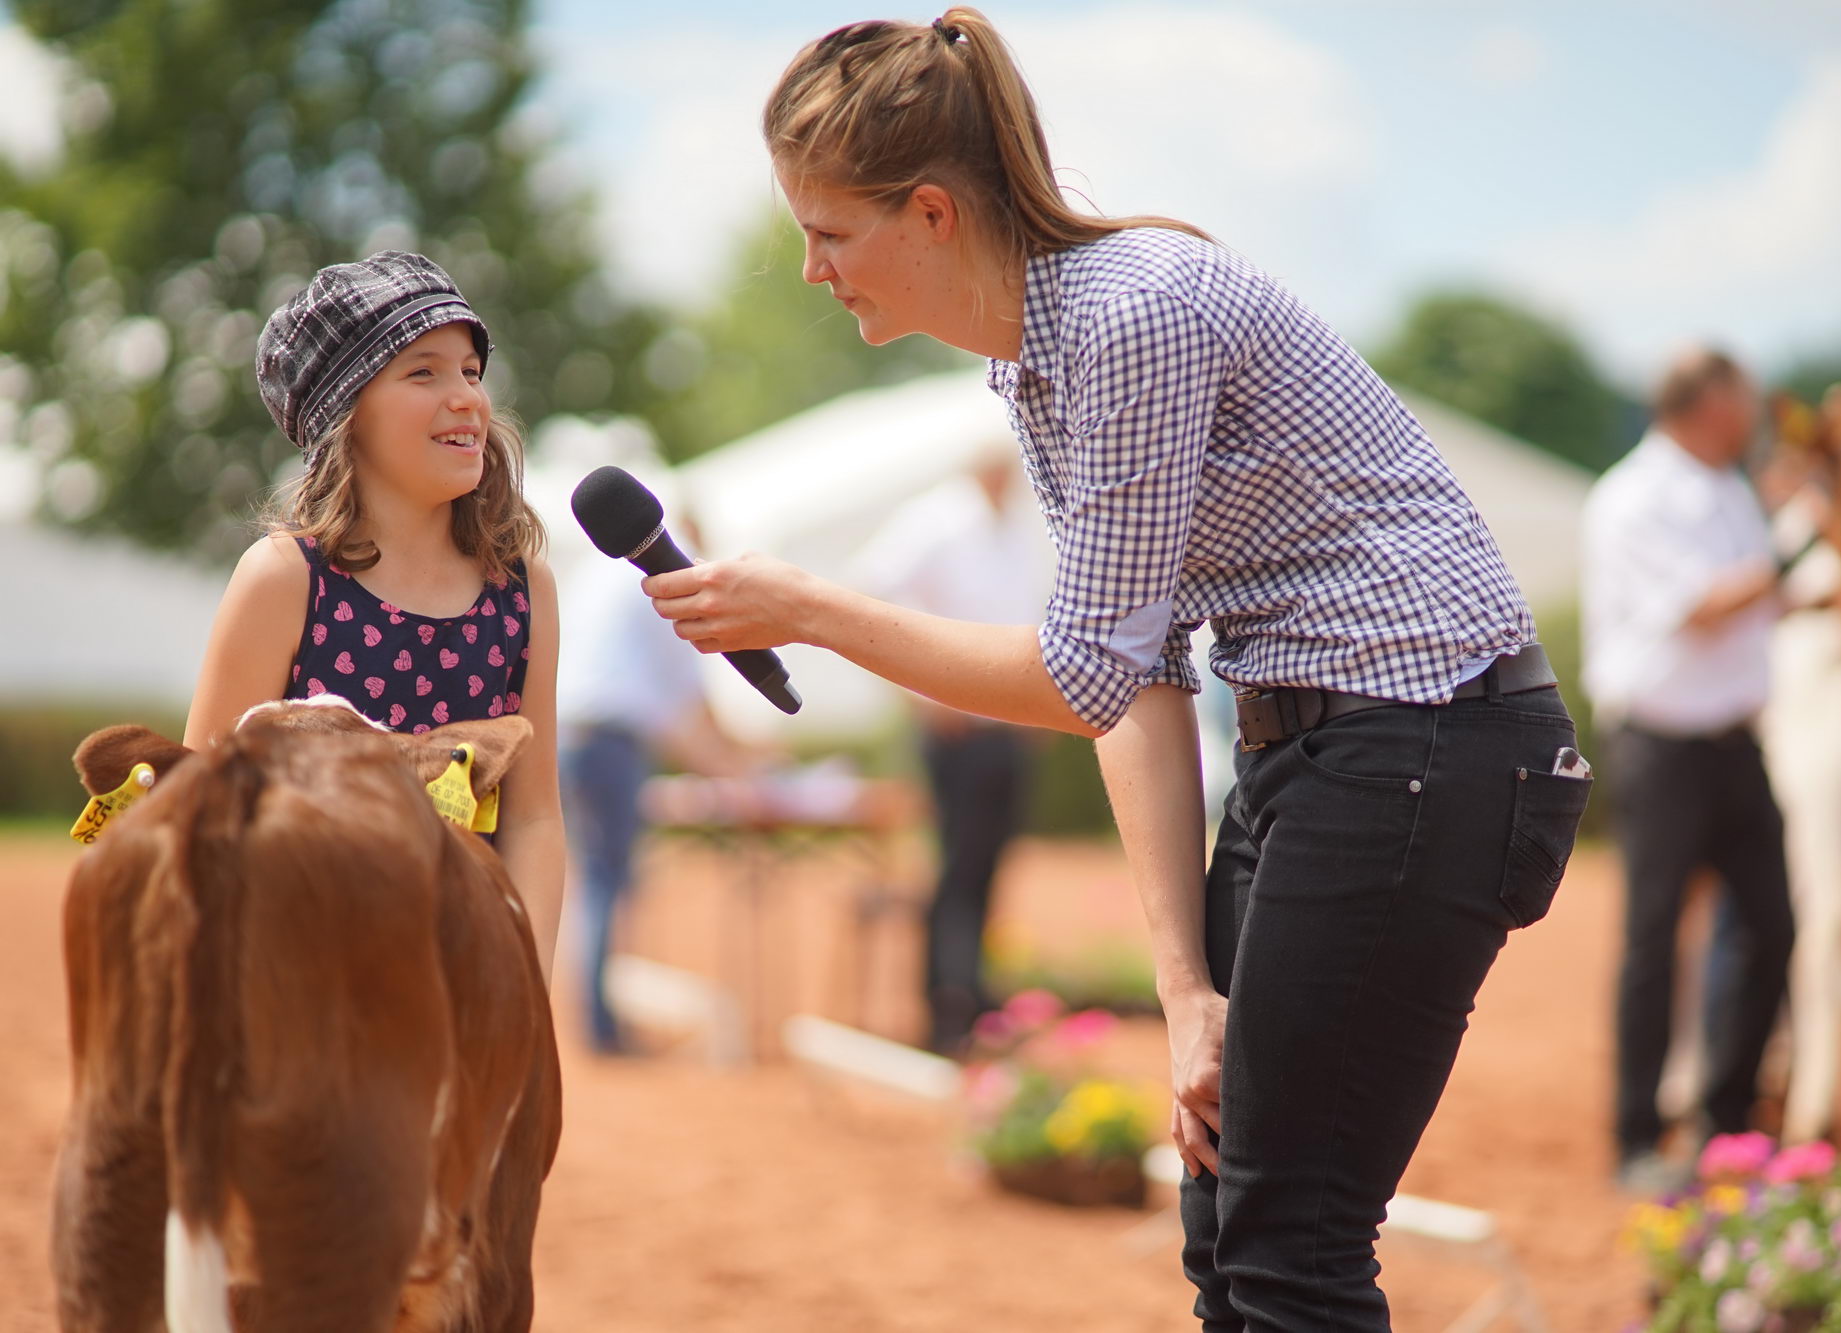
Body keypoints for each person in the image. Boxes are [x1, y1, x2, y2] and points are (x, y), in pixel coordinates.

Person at [643, 11, 1590, 1329]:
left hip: (1421, 744)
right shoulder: (1034, 363)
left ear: (929, 214)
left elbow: (1079, 673)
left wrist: (810, 609)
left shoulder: (1129, 316)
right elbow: (1138, 675)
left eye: (828, 232)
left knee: (1290, 1244)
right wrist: (1183, 990)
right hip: (1333, 751)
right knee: (1225, 1226)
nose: (811, 269)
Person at [185, 251, 566, 981]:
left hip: (464, 985)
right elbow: (199, 810)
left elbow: (533, 816)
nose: (466, 398)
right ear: (345, 412)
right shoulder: (283, 578)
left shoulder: (522, 589)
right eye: (424, 372)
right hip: (302, 988)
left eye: (471, 372)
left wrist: (524, 990)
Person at [1580, 347, 1795, 1195]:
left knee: (1772, 925)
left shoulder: (1731, 489)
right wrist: (1806, 541)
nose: (1753, 408)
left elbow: (1758, 600)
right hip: (1661, 746)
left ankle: (1728, 1127)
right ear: (1710, 402)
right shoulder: (1631, 498)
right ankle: (1636, 1137)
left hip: (1737, 742)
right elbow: (1702, 607)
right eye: (1743, 393)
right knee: (1654, 936)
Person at [851, 446, 1052, 1054]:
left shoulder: (1015, 526)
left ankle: (972, 996)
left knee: (987, 863)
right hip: (958, 728)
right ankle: (945, 1005)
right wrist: (921, 691)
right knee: (959, 865)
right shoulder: (937, 518)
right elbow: (873, 586)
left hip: (1004, 723)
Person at [558, 540, 757, 1054]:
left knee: (595, 876)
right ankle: (603, 1027)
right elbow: (688, 698)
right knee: (607, 879)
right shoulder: (667, 579)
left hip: (570, 734)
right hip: (611, 740)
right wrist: (735, 769)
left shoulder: (599, 571)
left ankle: (599, 1017)